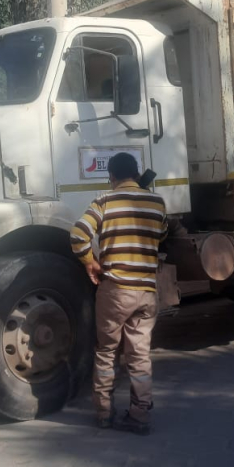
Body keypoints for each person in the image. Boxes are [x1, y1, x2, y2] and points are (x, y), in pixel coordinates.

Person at [70, 152, 171, 435]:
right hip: (147, 292)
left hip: (115, 291)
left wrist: (90, 261)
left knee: (106, 352)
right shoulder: (158, 203)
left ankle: (104, 413)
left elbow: (78, 234)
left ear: (111, 177)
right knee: (139, 355)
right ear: (137, 175)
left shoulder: (104, 201)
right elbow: (163, 234)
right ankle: (140, 416)